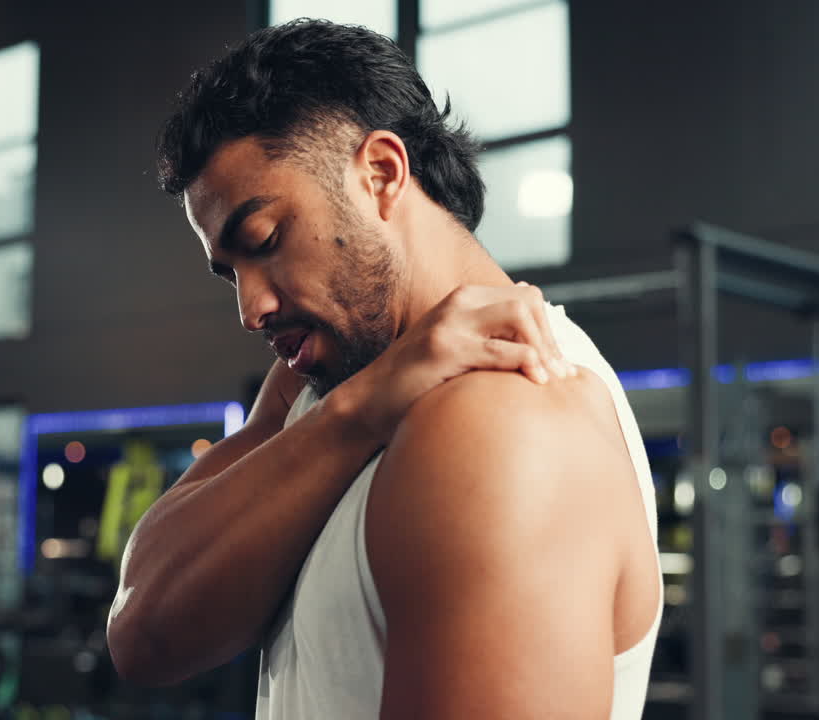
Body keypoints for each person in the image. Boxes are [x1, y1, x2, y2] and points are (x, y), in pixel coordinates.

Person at [106, 19, 661, 720]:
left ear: (381, 173)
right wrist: (360, 409)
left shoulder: (502, 416)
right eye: (230, 274)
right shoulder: (330, 386)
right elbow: (142, 630)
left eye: (265, 240)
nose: (251, 308)